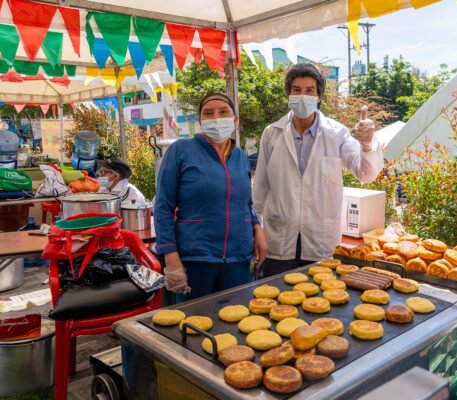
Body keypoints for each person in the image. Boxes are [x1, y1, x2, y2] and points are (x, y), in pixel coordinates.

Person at [253, 63, 384, 277]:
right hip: (278, 242)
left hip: (320, 243)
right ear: (288, 95)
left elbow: (366, 174)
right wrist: (257, 231)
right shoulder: (272, 134)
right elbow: (260, 190)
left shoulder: (336, 134)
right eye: (296, 90)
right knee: (277, 304)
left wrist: (368, 145)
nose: (302, 96)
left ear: (319, 97)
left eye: (309, 90)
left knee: (321, 304)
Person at [154, 93, 268, 300]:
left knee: (238, 324)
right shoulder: (180, 151)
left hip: (239, 259)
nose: (216, 117)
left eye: (223, 112)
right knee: (196, 325)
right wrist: (170, 257)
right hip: (197, 259)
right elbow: (162, 206)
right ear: (200, 121)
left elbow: (245, 203)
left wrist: (257, 228)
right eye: (208, 113)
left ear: (235, 120)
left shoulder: (241, 157)